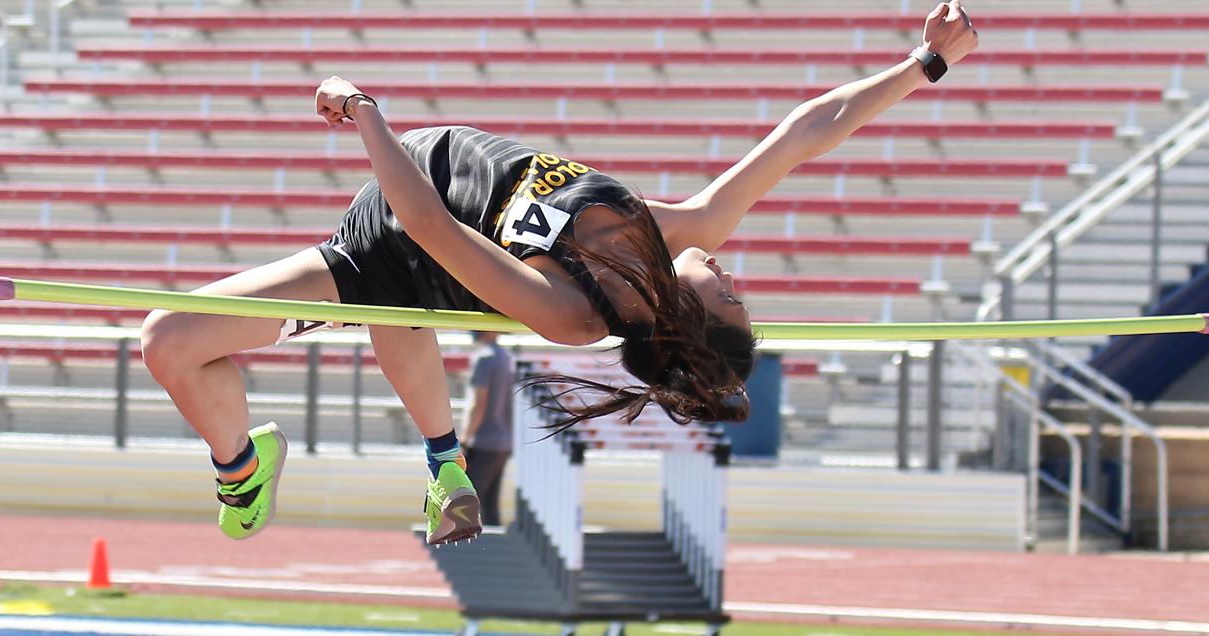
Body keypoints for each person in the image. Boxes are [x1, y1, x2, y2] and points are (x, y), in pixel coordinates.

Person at [139, 1, 977, 545]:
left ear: (684, 316)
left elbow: (427, 227)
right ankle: (319, 462)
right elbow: (803, 135)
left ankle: (282, 476)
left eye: (730, 293)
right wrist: (922, 66)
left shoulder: (572, 313)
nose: (728, 270)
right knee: (194, 345)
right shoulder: (676, 230)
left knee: (165, 339)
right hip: (400, 213)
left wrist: (365, 113)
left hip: (387, 250)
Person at [460, 331, 517, 527]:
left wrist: (465, 439)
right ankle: (497, 551)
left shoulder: (484, 359)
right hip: (502, 440)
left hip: (484, 439)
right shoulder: (505, 358)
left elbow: (478, 403)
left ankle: (473, 552)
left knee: (468, 501)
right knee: (489, 505)